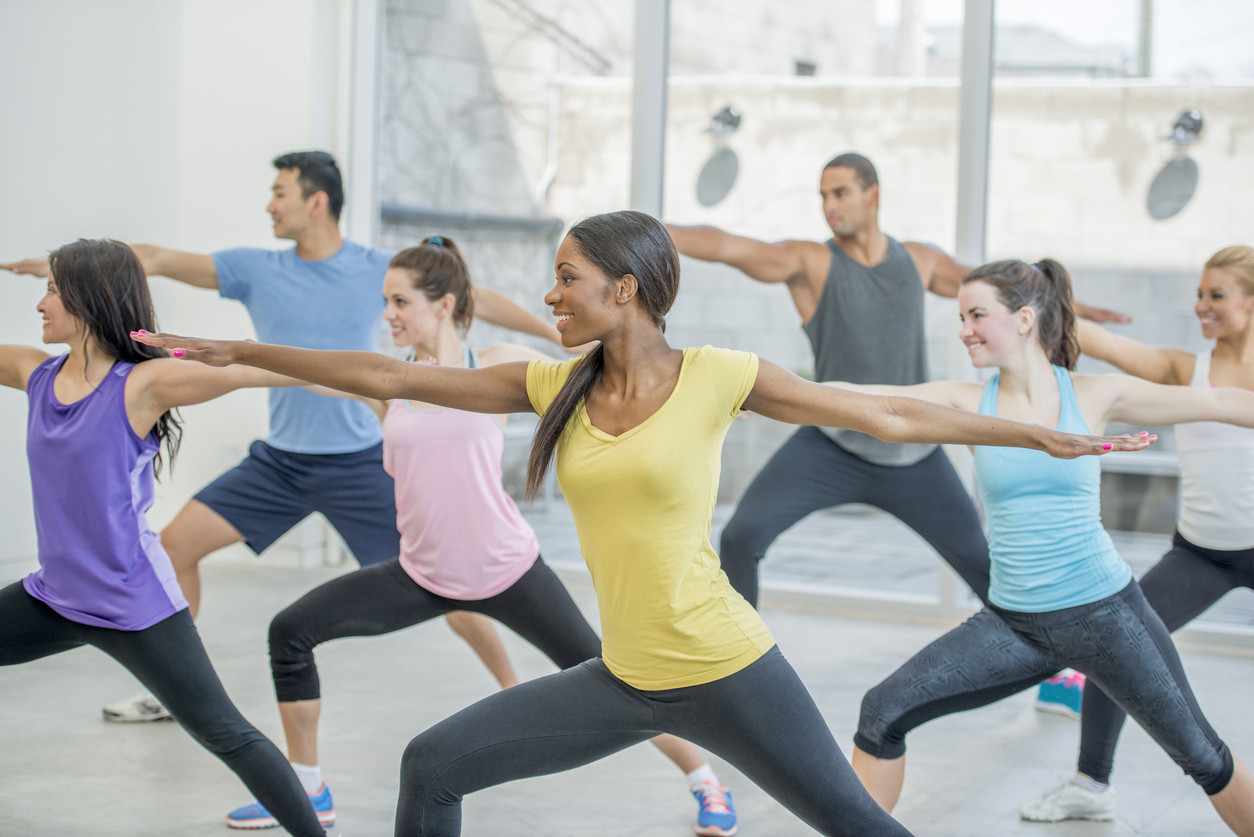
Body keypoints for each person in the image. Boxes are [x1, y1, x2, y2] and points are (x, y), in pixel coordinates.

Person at [134, 211, 1149, 837]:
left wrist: (1033, 438)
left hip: (729, 669)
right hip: (629, 676)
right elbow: (397, 373)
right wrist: (246, 355)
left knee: (852, 820)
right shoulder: (555, 382)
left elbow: (882, 412)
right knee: (432, 766)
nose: (547, 295)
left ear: (624, 290)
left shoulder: (720, 377)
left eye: (567, 278)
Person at [2, 150, 569, 723]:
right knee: (176, 547)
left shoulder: (377, 267)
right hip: (281, 464)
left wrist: (551, 332)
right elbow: (152, 258)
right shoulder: (257, 268)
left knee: (447, 574)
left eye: (280, 193)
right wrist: (64, 275)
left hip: (359, 462)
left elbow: (472, 295)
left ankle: (505, 683)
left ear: (315, 202)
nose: (269, 204)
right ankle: (175, 690)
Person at [223, 237, 739, 836]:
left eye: (400, 301)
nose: (387, 314)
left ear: (444, 306)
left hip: (508, 571)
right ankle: (307, 786)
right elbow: (288, 368)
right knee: (290, 631)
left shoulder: (494, 362)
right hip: (422, 575)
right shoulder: (384, 381)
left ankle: (706, 780)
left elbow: (594, 364)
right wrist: (208, 356)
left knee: (621, 679)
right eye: (384, 301)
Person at [836, 258, 1254, 835]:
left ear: (1026, 318)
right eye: (960, 316)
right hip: (1013, 625)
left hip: (1108, 617)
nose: (964, 330)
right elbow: (872, 399)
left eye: (977, 314)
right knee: (882, 714)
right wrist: (756, 383)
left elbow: (1223, 404)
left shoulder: (1095, 394)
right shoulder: (965, 402)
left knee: (1205, 758)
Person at [667, 152, 1129, 609]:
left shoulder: (919, 262)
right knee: (741, 537)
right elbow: (728, 246)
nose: (830, 205)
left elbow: (1009, 294)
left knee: (987, 569)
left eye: (841, 192)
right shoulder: (812, 262)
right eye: (823, 195)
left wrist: (1077, 308)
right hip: (831, 445)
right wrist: (651, 230)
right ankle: (739, 656)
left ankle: (1047, 648)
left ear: (873, 195)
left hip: (915, 453)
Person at [0, 240, 326, 837]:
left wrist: (380, 383)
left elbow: (258, 369)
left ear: (85, 299)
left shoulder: (143, 384)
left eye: (50, 289)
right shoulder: (35, 373)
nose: (41, 304)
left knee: (225, 733)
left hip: (135, 606)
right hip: (54, 597)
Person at [1021, 244, 1254, 823]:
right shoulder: (1185, 368)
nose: (1201, 305)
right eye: (1199, 293)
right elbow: (1104, 342)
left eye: (1216, 295)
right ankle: (1090, 784)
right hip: (1203, 554)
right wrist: (1038, 294)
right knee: (1114, 641)